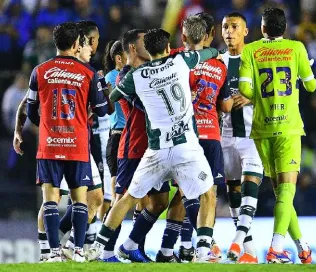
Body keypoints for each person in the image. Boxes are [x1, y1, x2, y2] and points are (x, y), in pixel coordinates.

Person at [86, 28, 220, 263]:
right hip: (183, 146)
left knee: (133, 198)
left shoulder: (135, 76)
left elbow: (114, 96)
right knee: (207, 193)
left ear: (147, 48)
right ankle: (202, 250)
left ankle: (100, 246)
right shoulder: (180, 61)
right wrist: (213, 51)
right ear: (168, 48)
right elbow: (207, 52)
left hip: (156, 149)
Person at [26, 22, 110, 262]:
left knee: (50, 199)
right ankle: (79, 250)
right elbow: (102, 110)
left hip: (50, 143)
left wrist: (46, 125)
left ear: (56, 43)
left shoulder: (39, 71)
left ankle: (52, 254)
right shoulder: (88, 73)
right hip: (77, 144)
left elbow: (32, 111)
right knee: (80, 198)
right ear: (76, 44)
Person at [237, 7, 315, 264]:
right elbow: (311, 85)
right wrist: (305, 71)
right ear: (285, 28)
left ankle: (302, 247)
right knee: (287, 192)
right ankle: (275, 249)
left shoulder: (250, 51)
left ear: (262, 28)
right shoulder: (297, 48)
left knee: (282, 192)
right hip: (289, 127)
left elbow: (244, 89)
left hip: (262, 129)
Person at [156, 13, 233, 263]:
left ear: (184, 35)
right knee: (207, 193)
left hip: (182, 136)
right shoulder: (220, 65)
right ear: (209, 36)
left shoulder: (173, 59)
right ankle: (203, 248)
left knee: (181, 193)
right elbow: (226, 106)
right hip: (210, 134)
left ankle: (169, 249)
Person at [99, 29, 170, 263]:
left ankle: (130, 246)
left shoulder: (147, 71)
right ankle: (105, 251)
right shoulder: (125, 76)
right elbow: (146, 105)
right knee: (123, 199)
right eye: (142, 41)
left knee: (159, 202)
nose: (147, 44)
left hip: (153, 147)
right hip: (132, 146)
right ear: (132, 48)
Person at [220, 12, 263, 264]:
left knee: (250, 185)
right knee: (234, 190)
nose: (229, 31)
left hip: (251, 135)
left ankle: (236, 240)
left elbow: (273, 93)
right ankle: (250, 250)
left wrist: (250, 97)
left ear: (246, 32)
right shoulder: (218, 62)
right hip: (226, 135)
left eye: (234, 27)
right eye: (225, 27)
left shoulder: (256, 59)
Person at [101, 39, 127, 219]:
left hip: (132, 136)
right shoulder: (111, 78)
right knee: (116, 193)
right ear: (119, 58)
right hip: (119, 136)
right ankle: (106, 234)